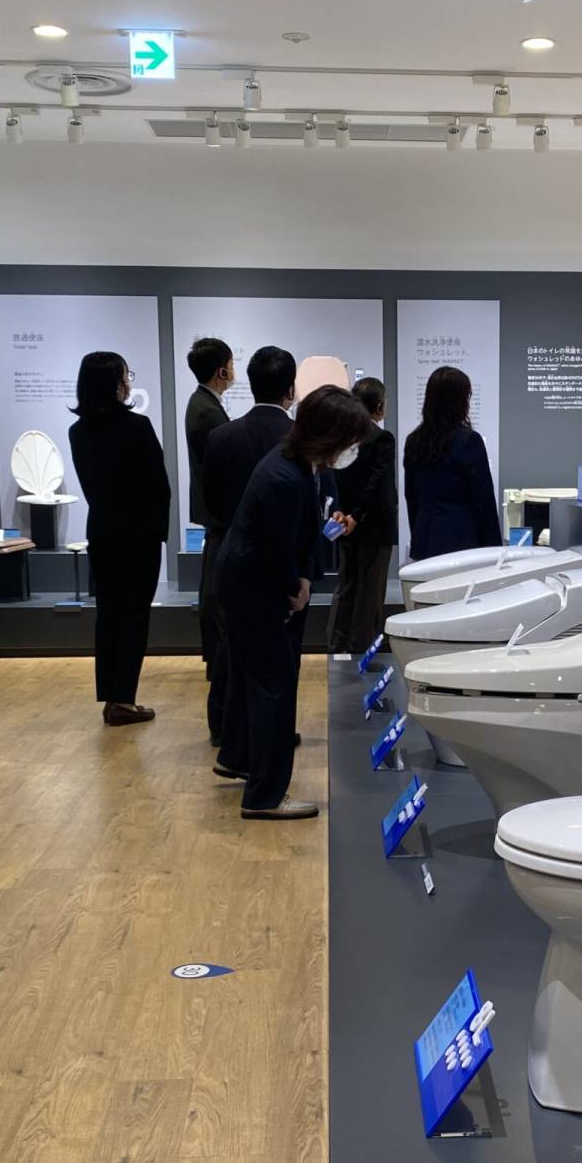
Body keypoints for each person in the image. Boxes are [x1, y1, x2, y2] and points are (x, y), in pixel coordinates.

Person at [215, 385, 376, 819]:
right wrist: (295, 588)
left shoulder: (299, 465)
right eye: (349, 440)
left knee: (257, 680)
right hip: (253, 588)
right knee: (275, 686)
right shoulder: (285, 477)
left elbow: (300, 534)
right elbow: (276, 550)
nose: (351, 450)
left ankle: (241, 760)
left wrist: (301, 576)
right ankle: (265, 796)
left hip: (253, 582)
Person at [202, 345, 304, 751]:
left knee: (231, 649)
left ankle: (226, 732)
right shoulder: (298, 440)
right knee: (280, 661)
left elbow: (210, 501)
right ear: (290, 388)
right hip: (283, 566)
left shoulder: (221, 437)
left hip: (232, 557)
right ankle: (273, 737)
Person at [68, 351, 170, 725]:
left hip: (102, 531)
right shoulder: (137, 426)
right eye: (125, 376)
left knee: (108, 614)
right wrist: (160, 531)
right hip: (140, 535)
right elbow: (159, 485)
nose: (128, 382)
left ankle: (111, 696)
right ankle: (124, 699)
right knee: (134, 616)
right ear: (114, 383)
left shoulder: (77, 431)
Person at [326, 376, 396, 655]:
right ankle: (361, 653)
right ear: (379, 406)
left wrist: (344, 514)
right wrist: (357, 515)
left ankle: (337, 647)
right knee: (370, 594)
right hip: (373, 527)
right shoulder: (382, 439)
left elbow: (335, 480)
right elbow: (377, 484)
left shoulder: (341, 438)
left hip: (345, 525)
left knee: (346, 587)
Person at [403, 365, 502, 560]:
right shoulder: (469, 440)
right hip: (462, 541)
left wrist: (417, 534)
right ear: (460, 401)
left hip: (425, 539)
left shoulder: (414, 440)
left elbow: (411, 497)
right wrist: (494, 550)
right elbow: (484, 500)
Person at [184, 336, 235, 674]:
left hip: (214, 511)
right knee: (216, 592)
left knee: (213, 587)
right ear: (221, 371)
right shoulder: (207, 411)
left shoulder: (204, 404)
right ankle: (218, 660)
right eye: (231, 364)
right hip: (220, 512)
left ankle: (217, 658)